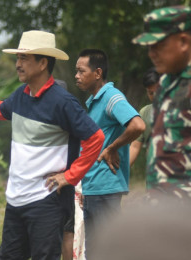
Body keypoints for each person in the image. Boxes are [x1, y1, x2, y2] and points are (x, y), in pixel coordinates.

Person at [0, 30, 105, 260]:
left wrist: (70, 176)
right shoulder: (21, 95)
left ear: (43, 63)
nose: (18, 64)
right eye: (18, 58)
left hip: (46, 202)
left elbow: (96, 138)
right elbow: (0, 110)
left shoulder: (62, 102)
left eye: (24, 58)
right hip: (15, 200)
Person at [75, 49, 145, 258]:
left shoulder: (112, 97)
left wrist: (113, 147)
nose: (76, 76)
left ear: (97, 73)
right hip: (93, 187)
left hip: (105, 186)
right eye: (75, 71)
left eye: (81, 71)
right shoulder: (95, 101)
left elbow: (138, 125)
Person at [132, 6, 191, 201]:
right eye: (149, 47)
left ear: (183, 41)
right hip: (161, 207)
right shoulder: (166, 83)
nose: (151, 54)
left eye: (157, 46)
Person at [129, 68, 160, 166]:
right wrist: (121, 171)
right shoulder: (145, 113)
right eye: (150, 93)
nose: (155, 96)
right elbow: (135, 146)